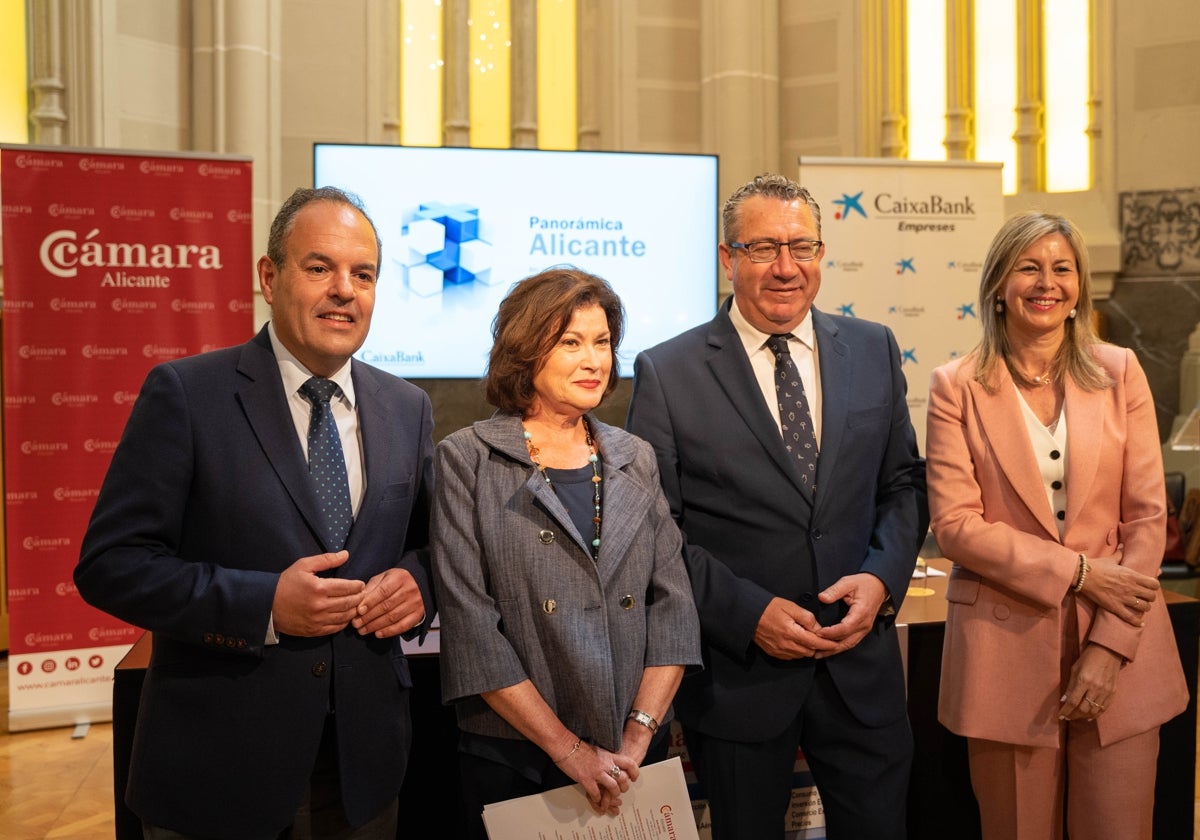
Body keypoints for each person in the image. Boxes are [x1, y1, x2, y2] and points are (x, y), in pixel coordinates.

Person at [75, 186, 436, 840]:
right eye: (319, 267)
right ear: (269, 277)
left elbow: (431, 548)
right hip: (219, 769)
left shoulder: (407, 408)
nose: (344, 290)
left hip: (363, 772)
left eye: (364, 274)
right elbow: (111, 565)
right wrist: (264, 605)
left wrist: (420, 585)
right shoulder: (186, 394)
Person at [625, 173, 928, 840]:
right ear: (728, 258)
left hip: (861, 673)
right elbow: (654, 530)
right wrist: (748, 613)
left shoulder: (873, 349)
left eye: (801, 247)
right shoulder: (668, 371)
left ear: (822, 255)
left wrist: (880, 581)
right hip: (740, 683)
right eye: (762, 249)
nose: (785, 268)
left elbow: (903, 485)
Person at [925, 210, 1189, 839]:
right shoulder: (954, 386)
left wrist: (1107, 647)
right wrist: (1078, 573)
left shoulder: (1121, 370)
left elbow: (1149, 515)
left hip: (1123, 649)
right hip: (1005, 654)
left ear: (1078, 287)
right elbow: (957, 524)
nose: (1047, 283)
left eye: (1062, 268)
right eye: (1029, 267)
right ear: (998, 284)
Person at [430, 266, 701, 837]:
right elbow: (473, 629)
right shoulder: (468, 459)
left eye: (602, 342)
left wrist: (638, 736)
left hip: (633, 760)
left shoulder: (634, 456)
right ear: (525, 353)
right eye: (570, 342)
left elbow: (673, 607)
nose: (594, 360)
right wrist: (570, 751)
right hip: (517, 757)